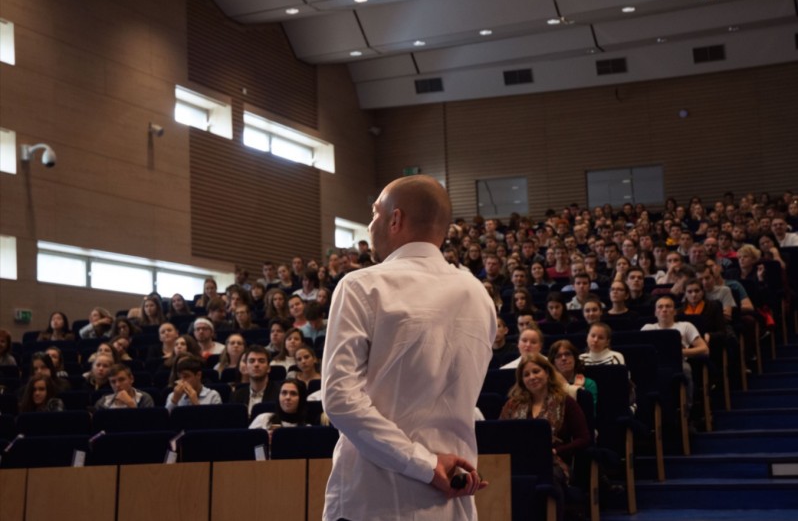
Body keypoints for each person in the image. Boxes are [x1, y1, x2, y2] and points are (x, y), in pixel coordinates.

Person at [322, 175, 495, 520]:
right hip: (451, 499)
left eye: (374, 214)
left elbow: (340, 400)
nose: (371, 224)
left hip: (375, 500)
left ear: (395, 219)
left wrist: (426, 465)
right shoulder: (479, 295)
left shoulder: (361, 285)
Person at [499, 354, 590, 504]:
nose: (532, 377)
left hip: (553, 462)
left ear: (547, 373)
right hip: (518, 461)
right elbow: (500, 436)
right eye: (526, 374)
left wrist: (557, 451)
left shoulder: (565, 401)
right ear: (521, 380)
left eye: (536, 371)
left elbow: (584, 438)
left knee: (549, 478)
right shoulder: (512, 405)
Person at [230, 345, 280, 414]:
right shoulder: (236, 396)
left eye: (261, 361)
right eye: (252, 361)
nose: (256, 364)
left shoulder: (280, 393)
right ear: (246, 367)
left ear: (269, 368)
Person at [548, 340, 598, 410]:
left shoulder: (589, 384)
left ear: (575, 358)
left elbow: (591, 414)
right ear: (553, 363)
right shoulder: (548, 385)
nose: (563, 358)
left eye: (567, 354)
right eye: (558, 356)